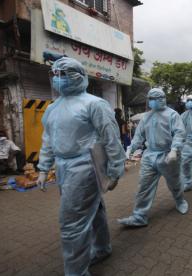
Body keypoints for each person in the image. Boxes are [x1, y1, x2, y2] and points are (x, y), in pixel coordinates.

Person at [36, 57, 126, 275]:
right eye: (55, 74)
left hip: (85, 166)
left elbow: (111, 138)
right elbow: (48, 139)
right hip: (63, 166)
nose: (58, 79)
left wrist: (115, 171)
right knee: (93, 210)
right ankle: (102, 248)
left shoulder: (94, 104)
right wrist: (43, 168)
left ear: (80, 76)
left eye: (64, 74)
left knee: (71, 223)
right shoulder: (52, 108)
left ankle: (76, 271)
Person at [119, 88, 188, 227]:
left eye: (154, 98)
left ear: (162, 99)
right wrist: (130, 149)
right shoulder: (146, 116)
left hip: (168, 155)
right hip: (150, 155)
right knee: (144, 186)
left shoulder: (172, 115)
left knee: (174, 183)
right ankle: (139, 216)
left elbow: (179, 133)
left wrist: (174, 150)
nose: (151, 101)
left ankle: (180, 200)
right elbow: (139, 135)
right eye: (150, 98)